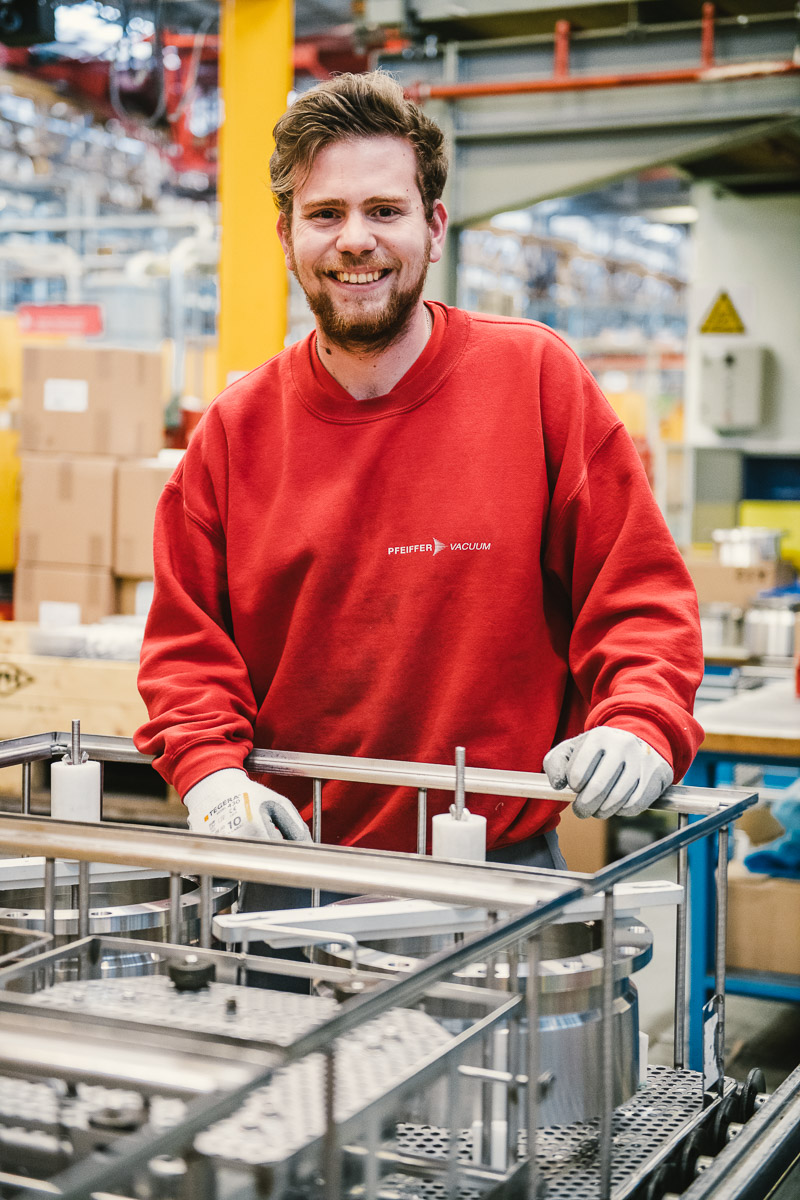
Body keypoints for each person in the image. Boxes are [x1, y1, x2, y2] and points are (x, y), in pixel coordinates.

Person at [134, 71, 704, 875]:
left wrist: (641, 719)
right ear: (286, 236)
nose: (354, 240)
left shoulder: (535, 380)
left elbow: (637, 596)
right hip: (287, 870)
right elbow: (189, 648)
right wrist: (211, 774)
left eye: (385, 211)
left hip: (498, 871)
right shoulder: (234, 433)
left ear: (434, 226)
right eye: (325, 214)